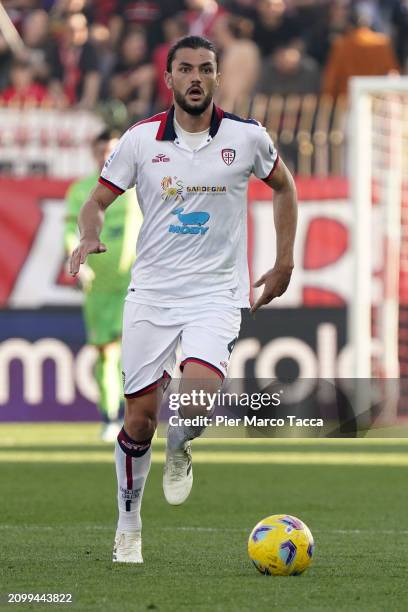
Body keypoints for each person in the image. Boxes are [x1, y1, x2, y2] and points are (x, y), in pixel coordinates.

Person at [69, 35, 297, 563]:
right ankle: (129, 525)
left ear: (218, 78)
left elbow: (285, 187)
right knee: (139, 421)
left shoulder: (247, 137)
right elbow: (97, 201)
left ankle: (182, 445)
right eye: (186, 69)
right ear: (168, 79)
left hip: (216, 292)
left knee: (194, 395)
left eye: (207, 69)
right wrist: (87, 233)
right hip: (151, 293)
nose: (197, 78)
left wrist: (284, 260)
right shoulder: (139, 140)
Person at [64, 129, 142, 442]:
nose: (107, 157)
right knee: (106, 355)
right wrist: (77, 262)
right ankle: (109, 417)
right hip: (98, 287)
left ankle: (131, 417)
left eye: (112, 150)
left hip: (134, 283)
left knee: (132, 353)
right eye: (102, 151)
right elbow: (71, 229)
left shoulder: (139, 187)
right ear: (94, 154)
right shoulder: (81, 190)